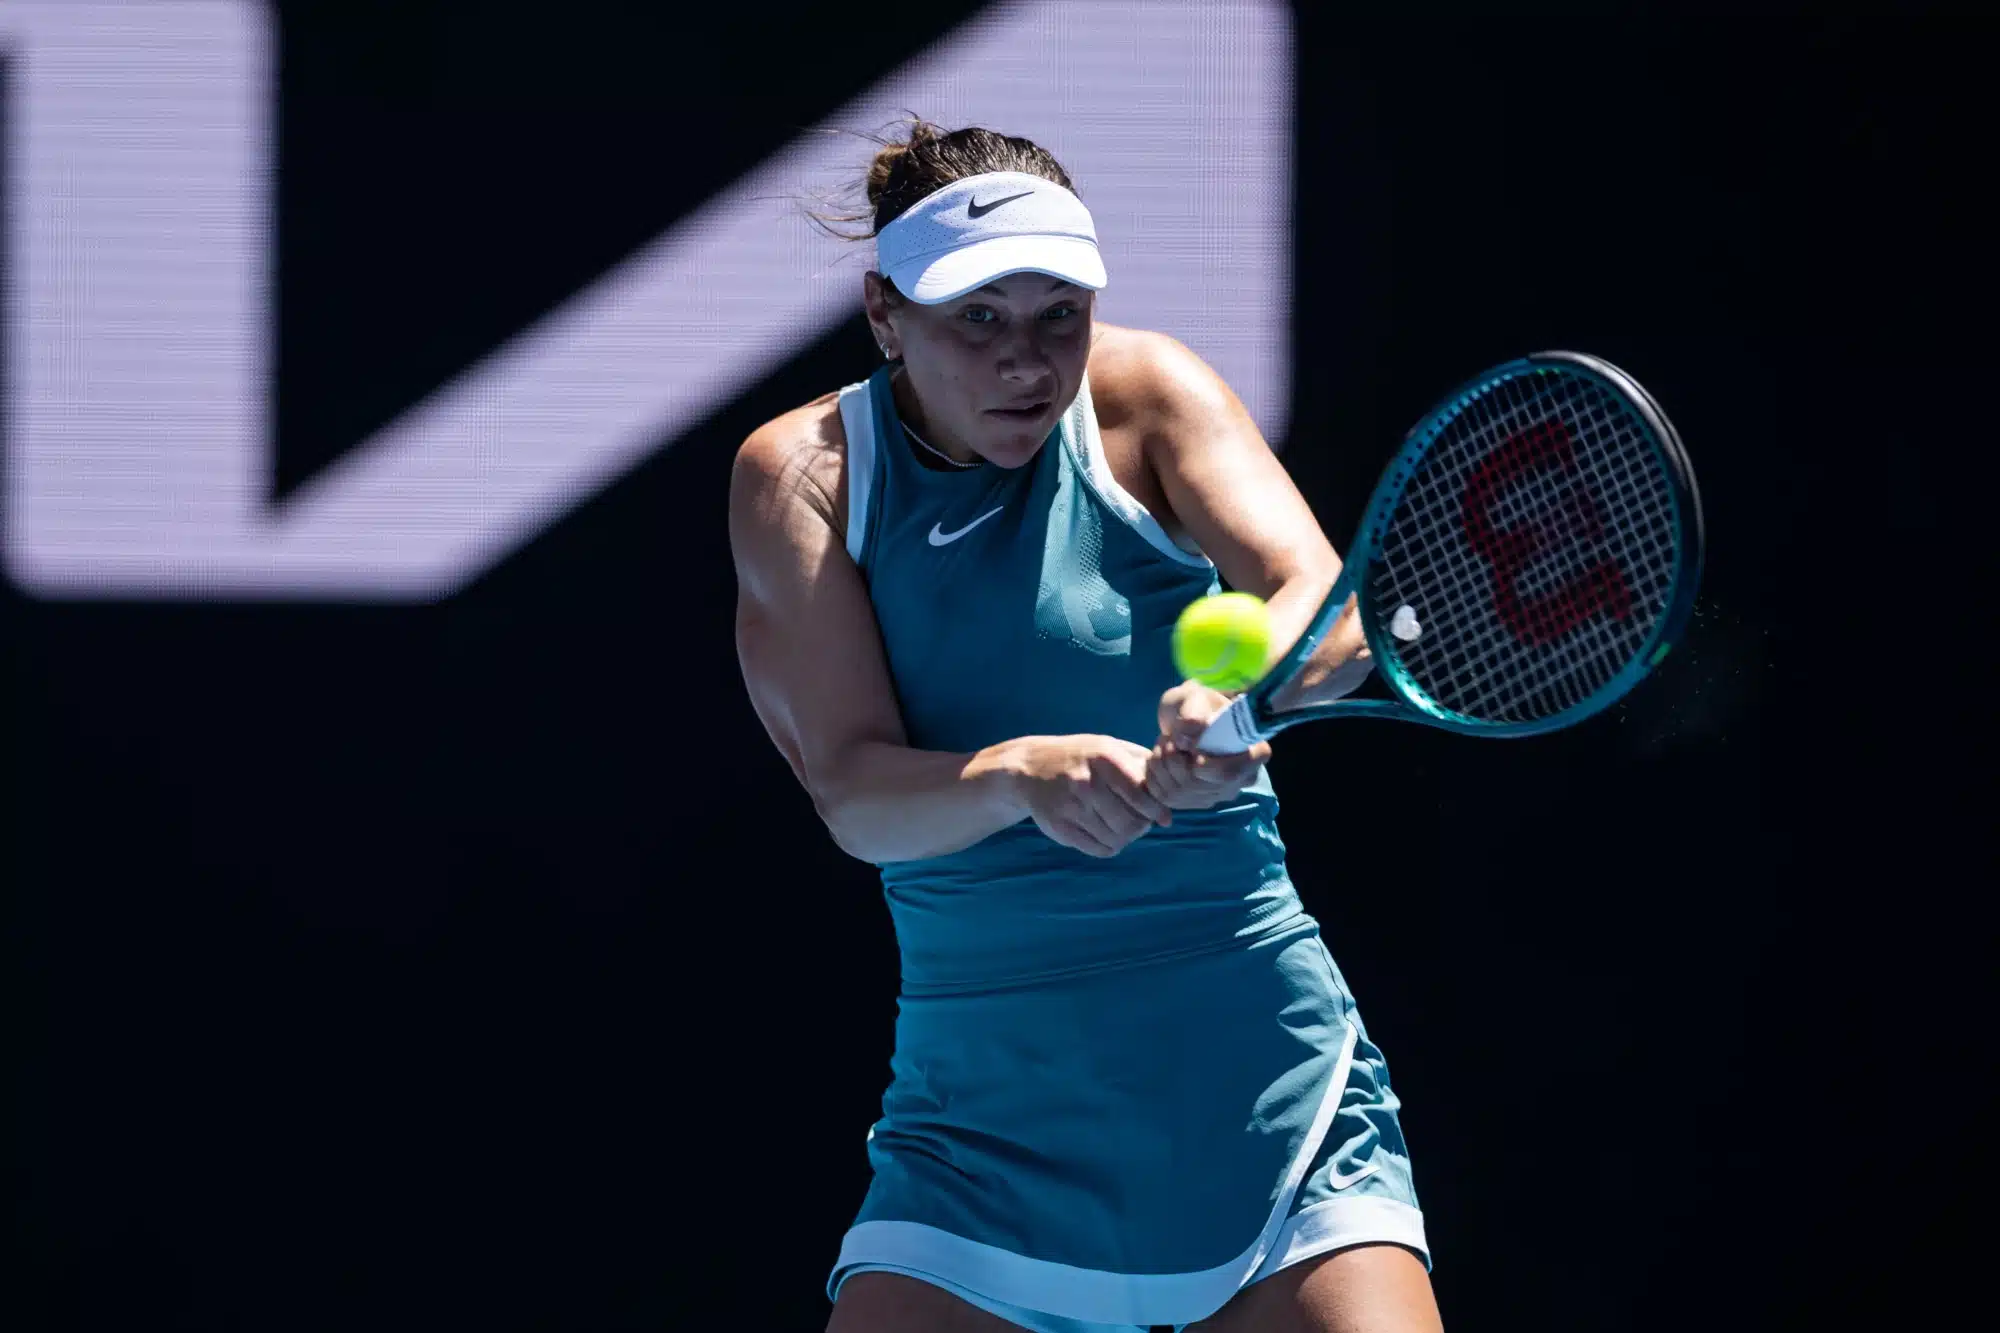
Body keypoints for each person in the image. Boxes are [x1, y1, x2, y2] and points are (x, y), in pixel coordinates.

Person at [730, 120, 1444, 1333]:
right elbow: (850, 792)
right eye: (978, 319)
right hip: (980, 1146)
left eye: (1057, 313)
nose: (1028, 362)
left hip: (1265, 1097)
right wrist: (1021, 772)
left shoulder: (1146, 393)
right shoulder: (804, 475)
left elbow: (1324, 611)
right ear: (882, 312)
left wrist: (1236, 696)